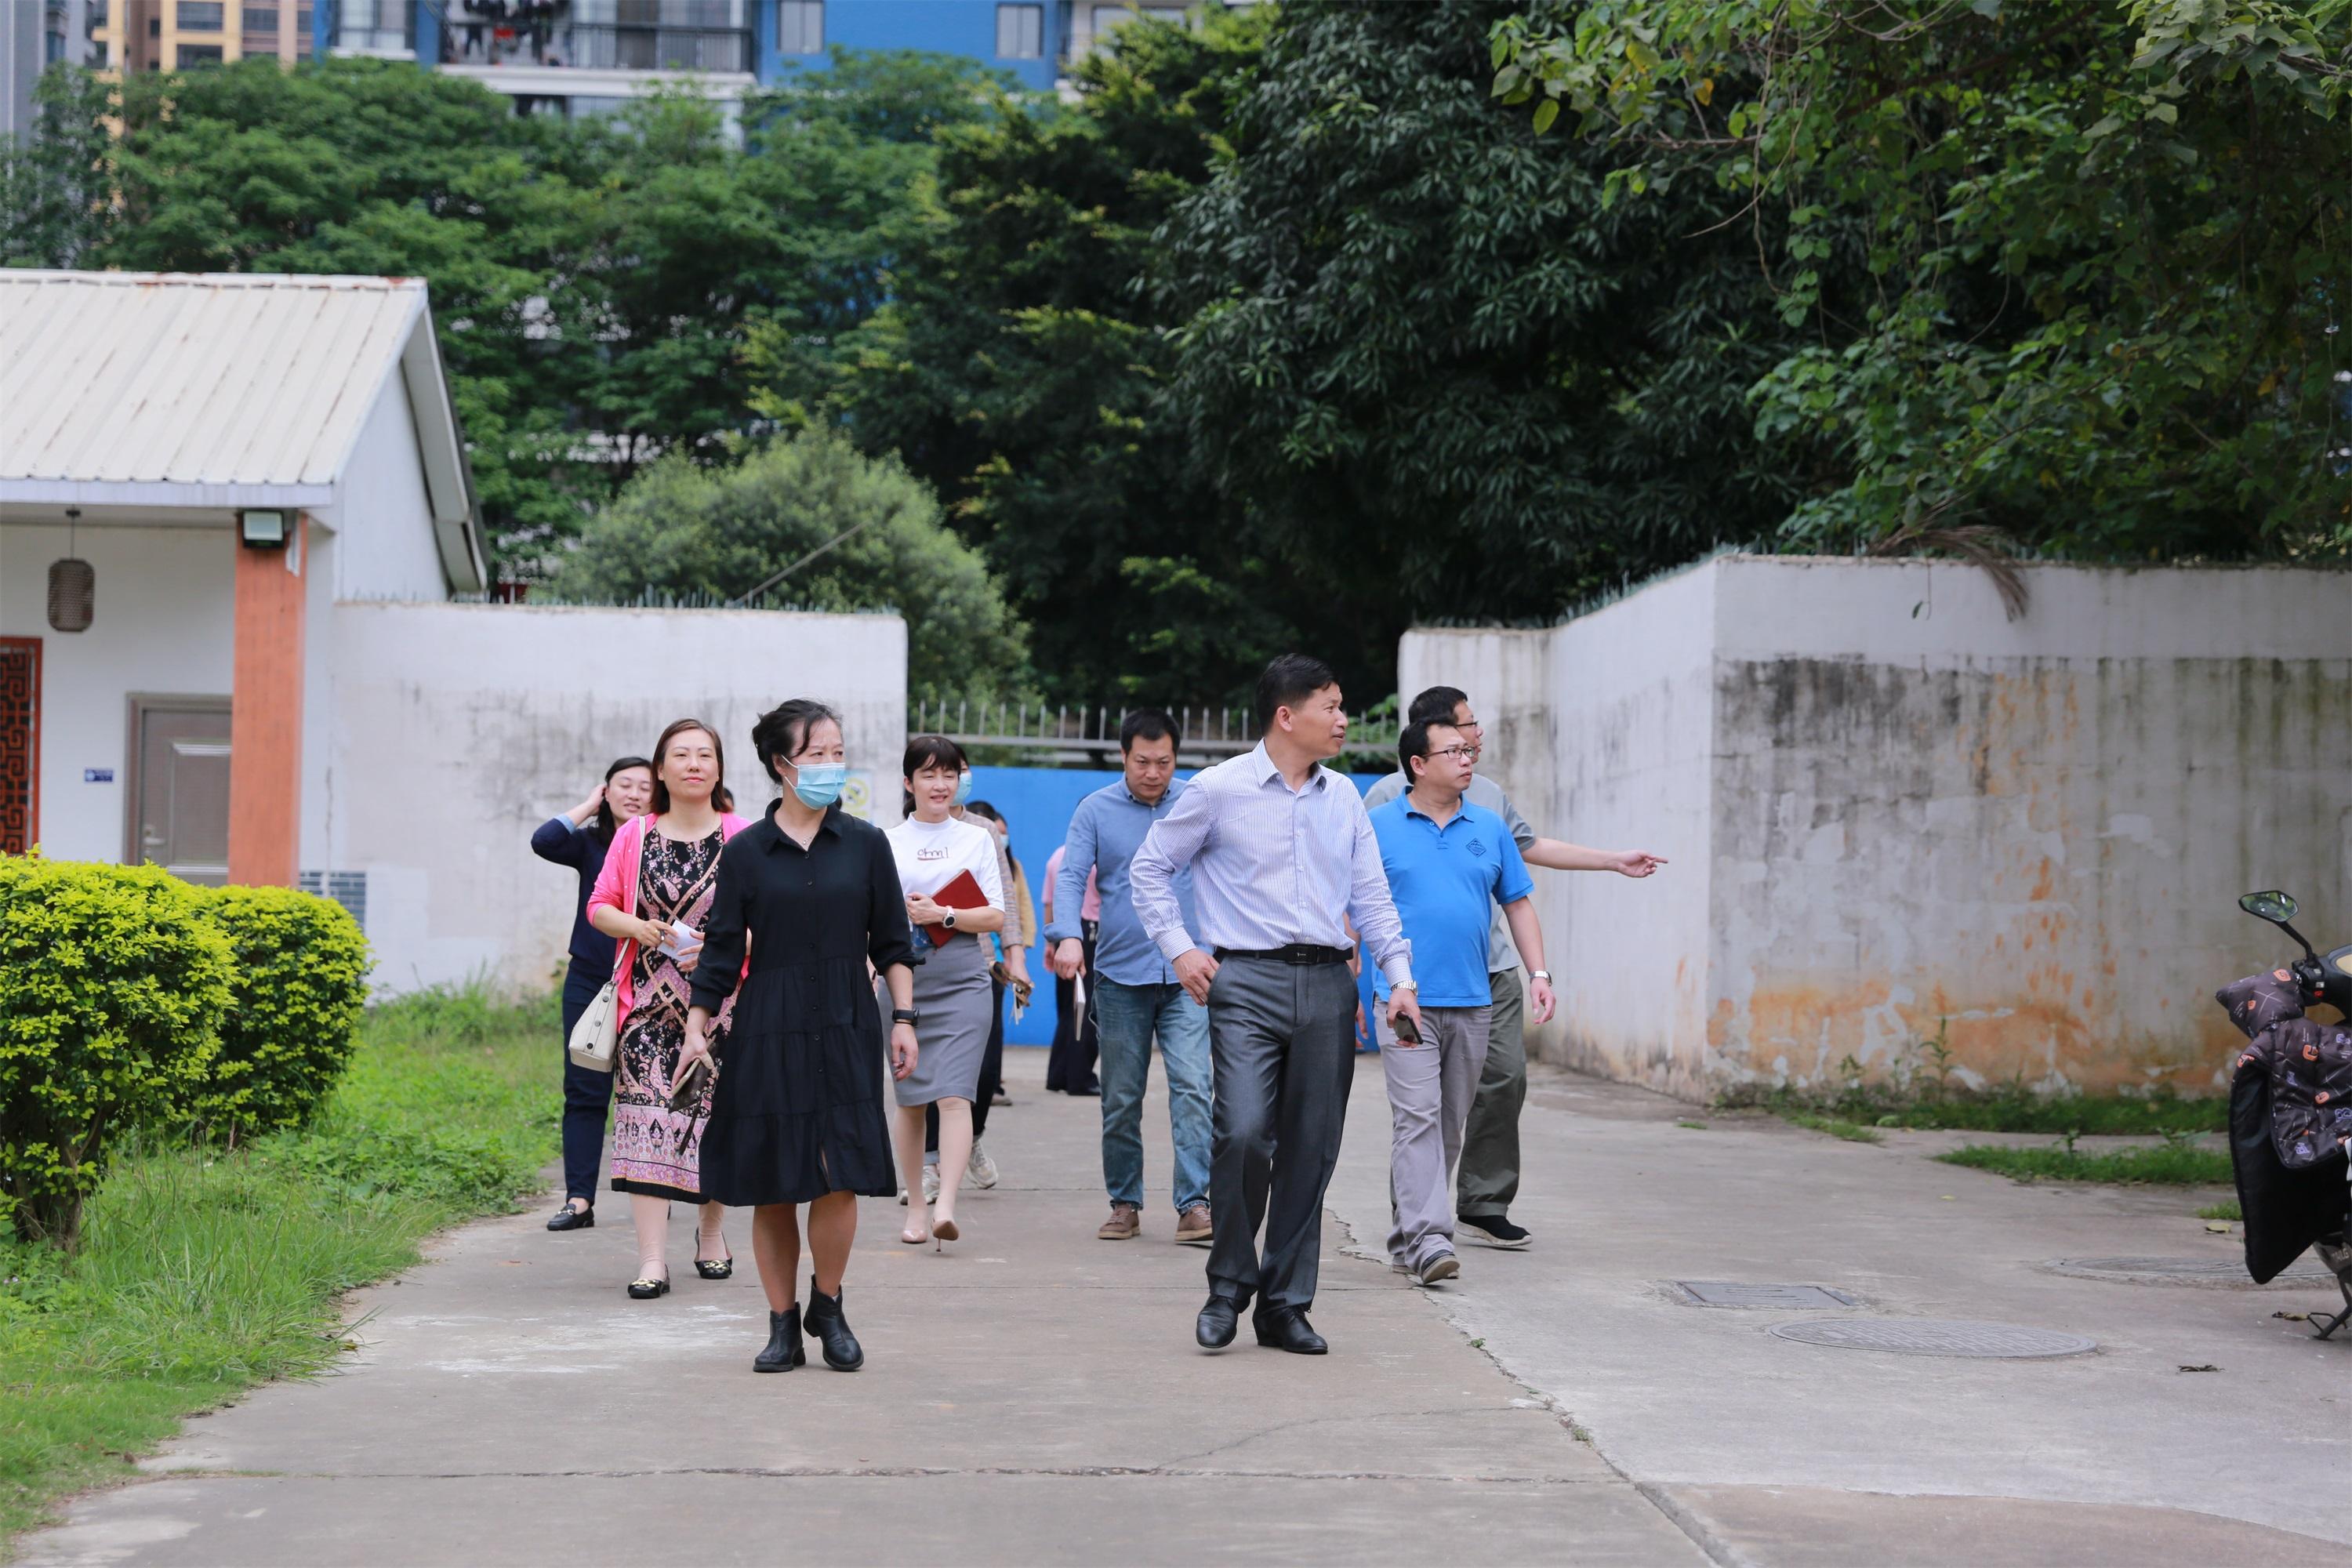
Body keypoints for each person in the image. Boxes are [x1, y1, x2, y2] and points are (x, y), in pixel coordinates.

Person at [1131, 656, 1423, 1355]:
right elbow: (1150, 869)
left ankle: (1285, 1305)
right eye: (1332, 706)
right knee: (1242, 1133)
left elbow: (1372, 897)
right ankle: (1228, 1284)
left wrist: (1400, 979)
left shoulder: (1344, 797)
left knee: (1311, 1148)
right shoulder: (1218, 790)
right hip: (1245, 983)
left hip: (1327, 984)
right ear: (1287, 717)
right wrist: (1181, 949)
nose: (1344, 719)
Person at [1361, 685, 1664, 1249]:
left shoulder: (1488, 802)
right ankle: (1420, 1225)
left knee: (1499, 1082)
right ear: (1425, 748)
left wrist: (1609, 862)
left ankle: (1482, 1201)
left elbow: (1525, 857)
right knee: (1420, 1112)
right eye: (1465, 729)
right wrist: (1357, 970)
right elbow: (1362, 897)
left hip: (1487, 973)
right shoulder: (1383, 804)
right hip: (1409, 982)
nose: (1475, 739)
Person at [677, 699, 920, 1375]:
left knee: (840, 1175)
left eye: (837, 752)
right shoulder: (746, 852)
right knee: (775, 1180)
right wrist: (697, 1026)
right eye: (817, 754)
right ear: (782, 764)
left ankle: (829, 1305)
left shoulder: (866, 844)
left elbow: (893, 942)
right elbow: (722, 950)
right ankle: (782, 1322)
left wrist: (904, 1019)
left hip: (846, 1021)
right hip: (768, 1027)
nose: (831, 765)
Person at [1370, 719, 1557, 1287]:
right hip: (1404, 1001)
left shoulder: (1489, 826)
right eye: (1452, 751)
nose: (1467, 758)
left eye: (1468, 750)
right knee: (1418, 1117)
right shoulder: (1376, 825)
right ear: (1418, 764)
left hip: (1474, 1000)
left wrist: (1539, 974)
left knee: (1449, 1125)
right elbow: (1356, 909)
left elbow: (1518, 904)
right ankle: (1431, 1238)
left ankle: (1407, 1238)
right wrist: (1351, 982)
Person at [586, 719, 749, 1299]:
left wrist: (727, 946)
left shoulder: (744, 836)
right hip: (646, 1007)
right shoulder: (634, 836)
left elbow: (770, 920)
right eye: (680, 755)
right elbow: (600, 906)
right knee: (643, 1124)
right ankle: (652, 1259)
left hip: (724, 1006)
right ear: (661, 768)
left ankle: (711, 1232)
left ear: (719, 768)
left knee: (713, 1123)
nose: (693, 764)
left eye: (705, 755)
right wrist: (638, 929)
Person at [1046, 710, 1212, 1247]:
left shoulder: (1198, 803)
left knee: (1194, 1087)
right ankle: (1124, 1203)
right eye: (1142, 761)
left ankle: (1195, 1204)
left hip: (1190, 975)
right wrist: (1067, 935)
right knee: (1120, 1096)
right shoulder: (1095, 810)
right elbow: (1072, 877)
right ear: (1123, 757)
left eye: (1164, 762)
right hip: (1120, 974)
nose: (1153, 773)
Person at [887, 735, 1007, 1248]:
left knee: (956, 1095)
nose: (940, 784)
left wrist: (944, 914)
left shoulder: (977, 838)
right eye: (929, 774)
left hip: (963, 976)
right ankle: (917, 1202)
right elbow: (873, 916)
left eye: (949, 774)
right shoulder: (886, 841)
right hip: (905, 978)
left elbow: (995, 915)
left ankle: (947, 1206)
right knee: (912, 1100)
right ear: (908, 782)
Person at [531, 754, 653, 1232]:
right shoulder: (590, 843)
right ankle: (579, 1199)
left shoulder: (663, 842)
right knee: (584, 1090)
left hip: (650, 981)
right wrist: (587, 805)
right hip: (591, 982)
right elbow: (544, 841)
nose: (634, 794)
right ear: (607, 791)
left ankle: (655, 1197)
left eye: (645, 786)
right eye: (624, 785)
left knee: (651, 1093)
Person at [1041, 843, 1101, 1096]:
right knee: (1087, 1006)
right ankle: (1080, 1077)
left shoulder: (1056, 856)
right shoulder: (1094, 858)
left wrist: (1050, 943)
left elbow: (1048, 903)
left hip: (1062, 932)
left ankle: (1058, 1075)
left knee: (1068, 1007)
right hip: (1090, 933)